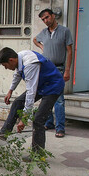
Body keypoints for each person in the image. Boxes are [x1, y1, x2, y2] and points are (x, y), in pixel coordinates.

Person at [0, 47, 64, 159]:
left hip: (53, 86)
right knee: (17, 102)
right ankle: (4, 132)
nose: (6, 68)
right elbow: (17, 74)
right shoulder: (19, 57)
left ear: (11, 60)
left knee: (38, 119)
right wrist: (10, 90)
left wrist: (24, 119)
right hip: (42, 84)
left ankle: (37, 153)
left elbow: (31, 93)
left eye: (5, 66)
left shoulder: (30, 64)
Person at [32, 9, 73, 138]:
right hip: (46, 69)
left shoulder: (65, 31)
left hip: (59, 69)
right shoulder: (44, 33)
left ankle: (60, 128)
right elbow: (35, 40)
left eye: (47, 17)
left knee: (59, 100)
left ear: (53, 16)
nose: (46, 21)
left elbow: (70, 51)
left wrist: (67, 70)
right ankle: (49, 123)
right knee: (46, 97)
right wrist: (42, 47)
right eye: (43, 19)